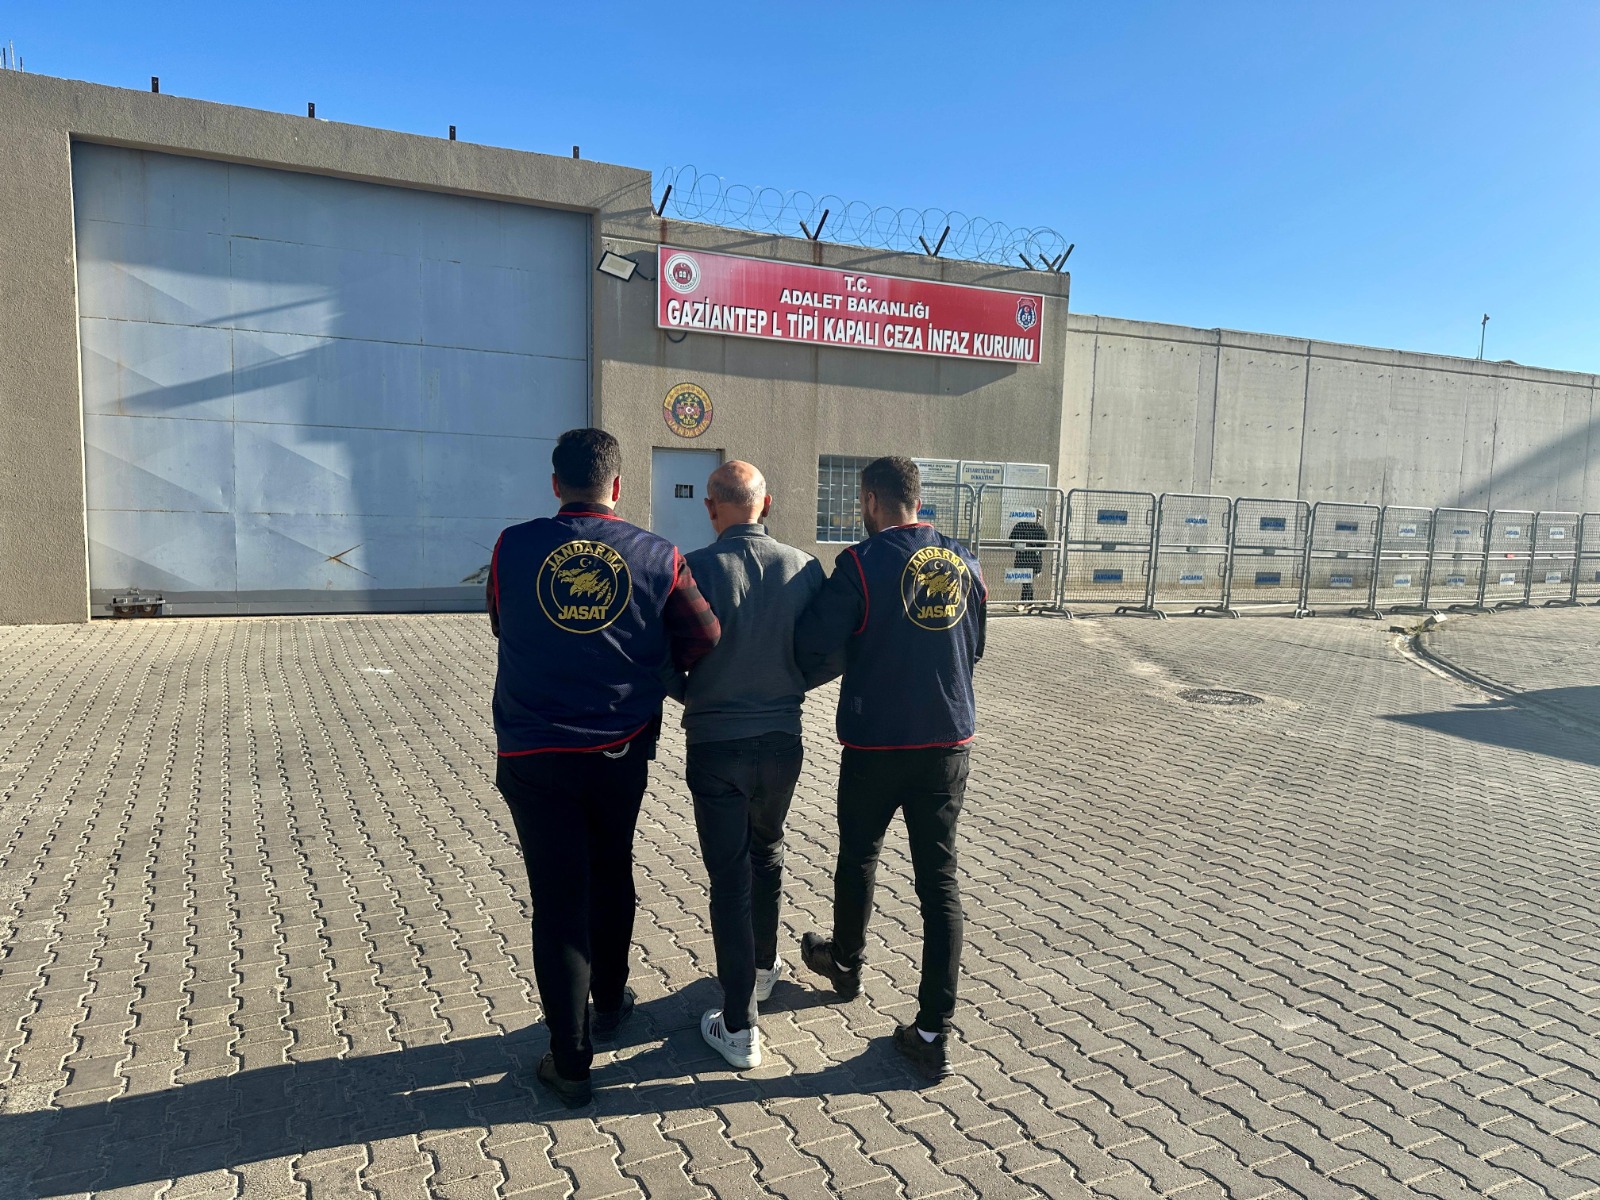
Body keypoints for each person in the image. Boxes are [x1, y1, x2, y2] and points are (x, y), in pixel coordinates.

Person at [487, 427, 720, 1107]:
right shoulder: (659, 554)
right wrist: (653, 665)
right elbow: (704, 635)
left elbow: (501, 620)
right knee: (612, 865)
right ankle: (611, 1002)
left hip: (533, 750)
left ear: (555, 484)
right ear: (617, 485)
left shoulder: (512, 546)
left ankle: (570, 1060)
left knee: (559, 898)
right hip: (620, 745)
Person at [794, 455, 986, 1084]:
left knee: (858, 856)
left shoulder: (860, 563)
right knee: (939, 883)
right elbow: (976, 645)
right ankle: (932, 1032)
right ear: (918, 499)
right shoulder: (963, 560)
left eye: (861, 502)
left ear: (872, 501)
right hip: (947, 742)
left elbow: (814, 640)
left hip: (876, 743)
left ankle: (846, 964)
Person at [662, 461, 829, 1070]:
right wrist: (793, 684)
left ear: (711, 508)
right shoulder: (804, 567)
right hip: (782, 740)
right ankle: (761, 968)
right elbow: (832, 647)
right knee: (769, 851)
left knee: (730, 878)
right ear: (768, 503)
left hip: (716, 744)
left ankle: (739, 1026)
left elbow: (659, 655)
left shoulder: (692, 568)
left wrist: (693, 692)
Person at [1007, 507, 1047, 603]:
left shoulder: (1040, 529)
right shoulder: (1020, 526)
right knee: (1026, 582)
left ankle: (1024, 602)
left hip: (1033, 560)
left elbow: (1043, 546)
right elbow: (1012, 542)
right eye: (1036, 515)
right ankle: (1029, 602)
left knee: (1027, 581)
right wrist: (1024, 546)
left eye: (1039, 515)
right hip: (1022, 559)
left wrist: (1030, 546)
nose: (1038, 517)